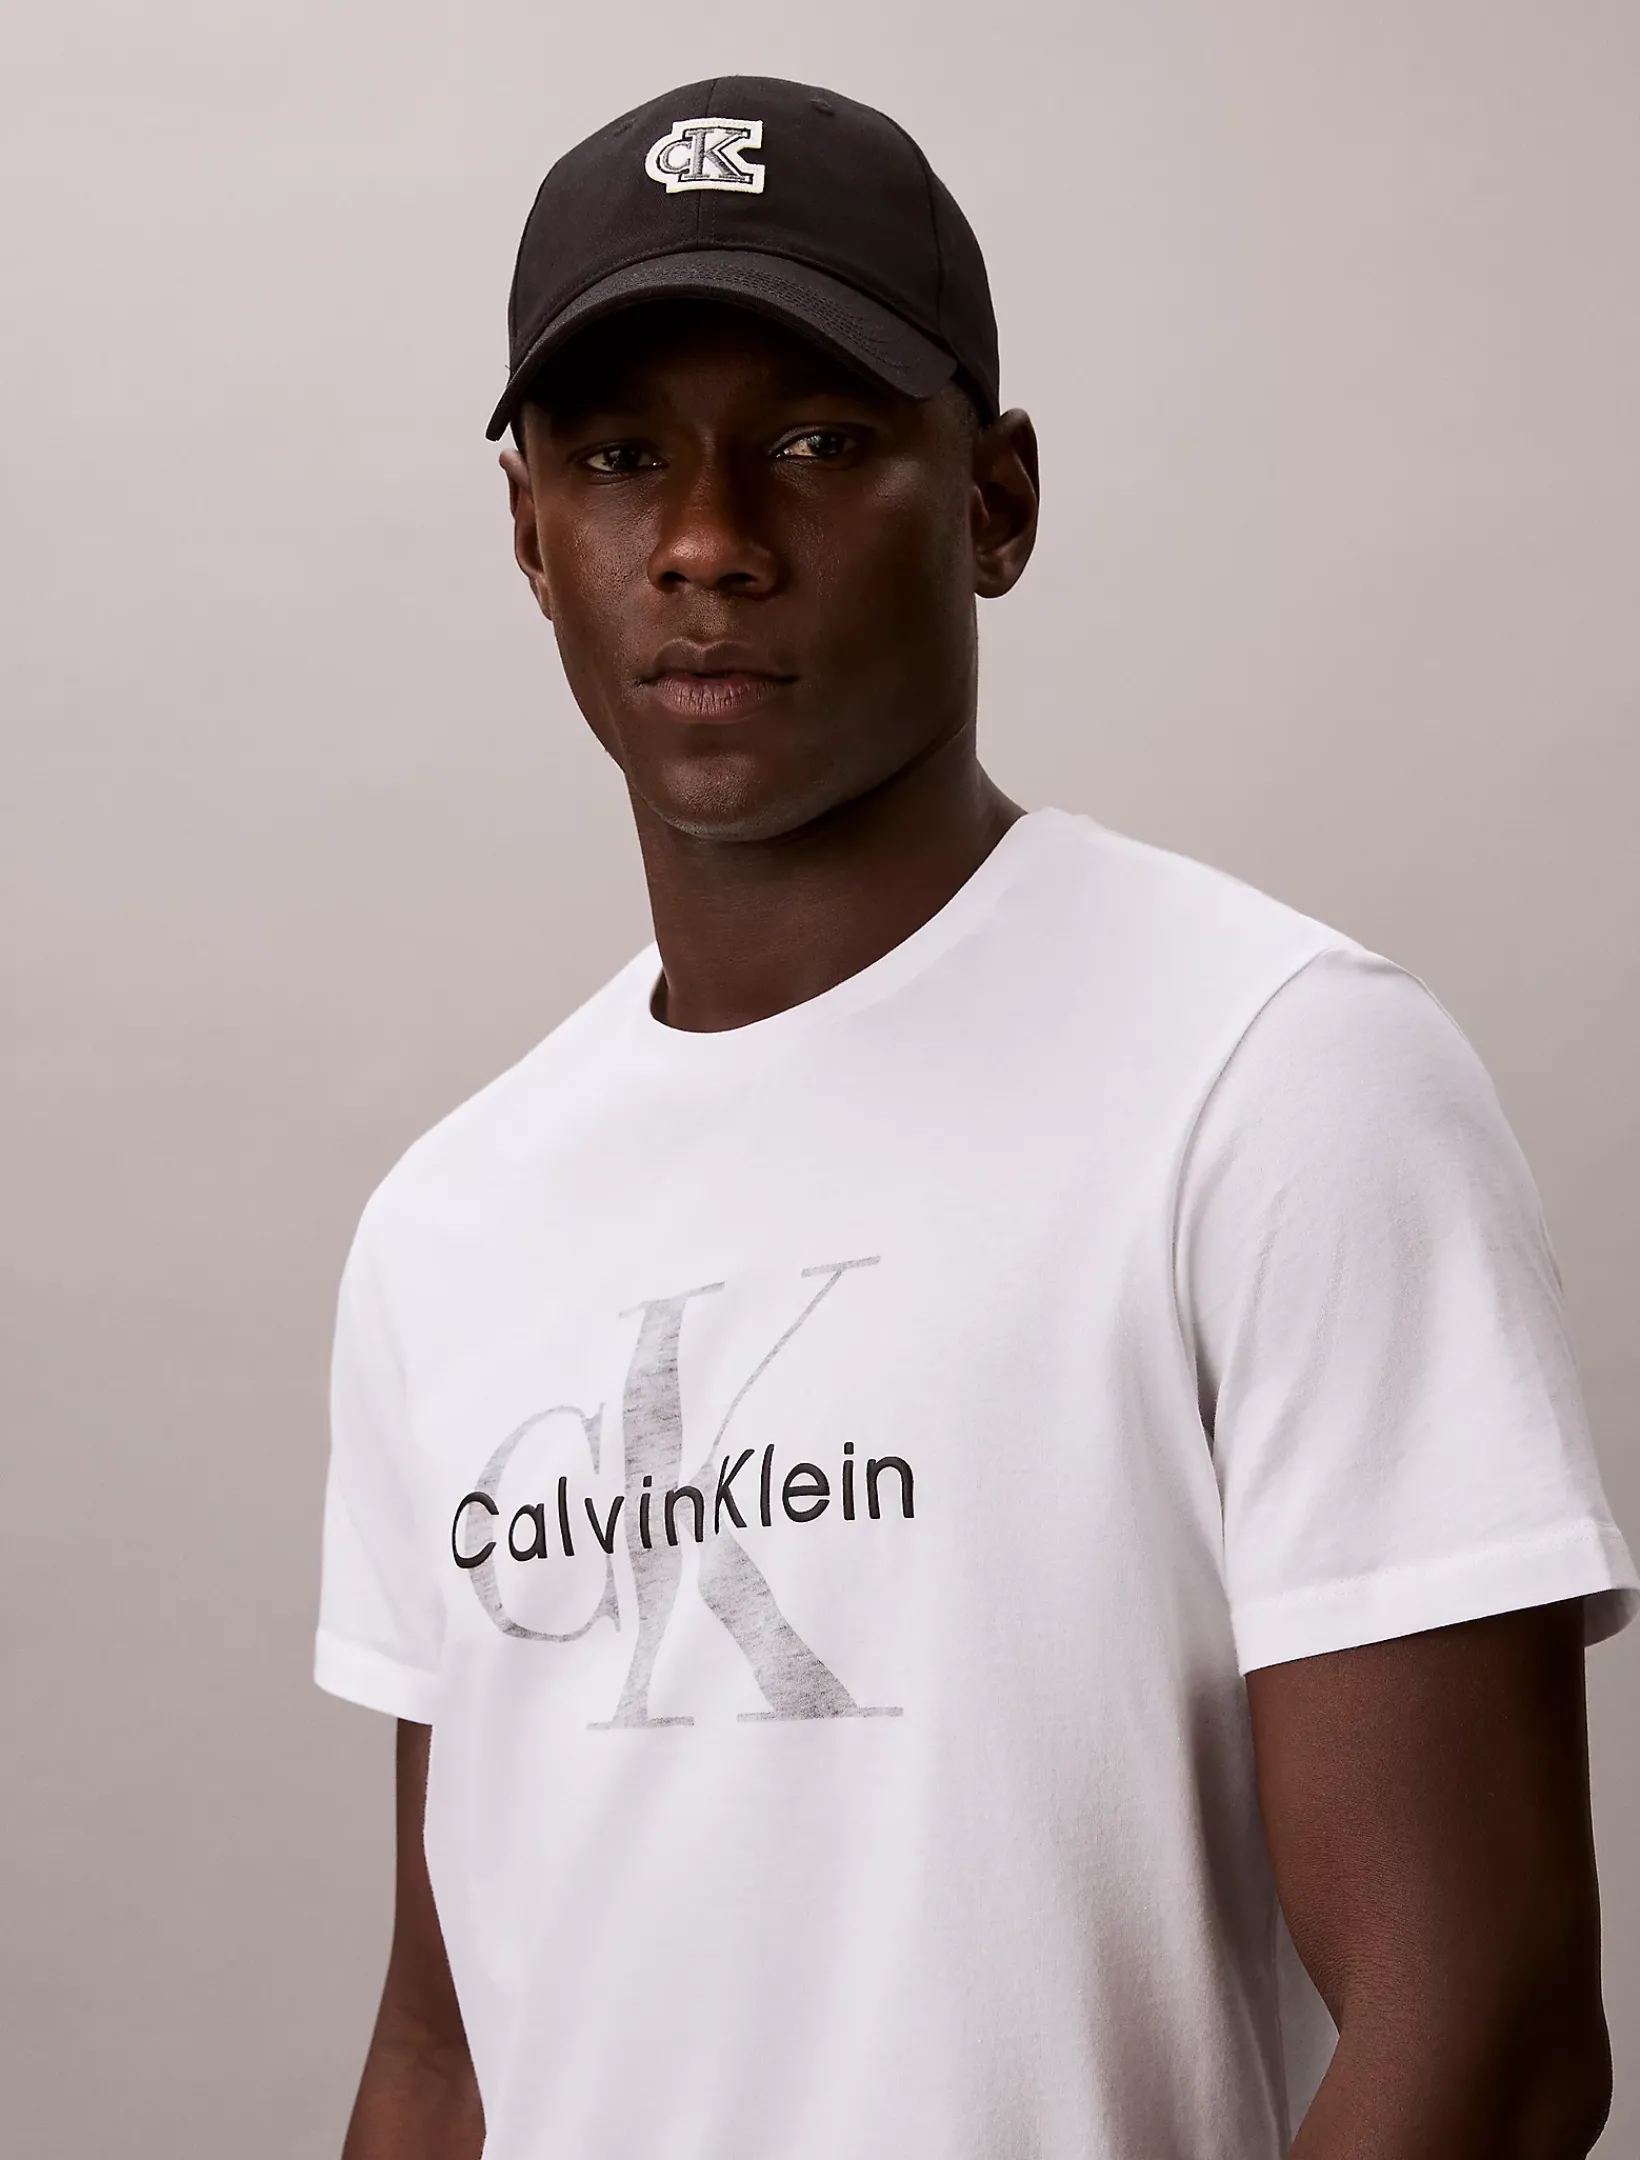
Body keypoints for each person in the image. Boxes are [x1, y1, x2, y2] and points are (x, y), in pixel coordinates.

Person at [314, 74, 1637, 2160]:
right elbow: (447, 2051)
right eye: (618, 457)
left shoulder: (1276, 1077)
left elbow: (1484, 2023)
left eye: (819, 442)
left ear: (996, 500)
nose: (706, 541)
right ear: (528, 533)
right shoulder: (447, 1225)